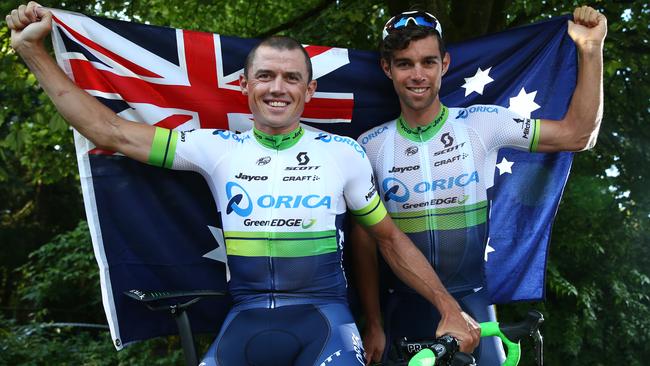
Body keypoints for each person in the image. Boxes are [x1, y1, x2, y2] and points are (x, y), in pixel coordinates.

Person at [6, 2, 483, 365]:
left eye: (292, 77)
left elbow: (389, 239)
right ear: (245, 86)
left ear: (309, 91)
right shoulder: (216, 148)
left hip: (327, 319)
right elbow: (107, 130)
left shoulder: (345, 153)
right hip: (245, 318)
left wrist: (446, 306)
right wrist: (33, 52)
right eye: (266, 76)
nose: (278, 87)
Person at [354, 6, 606, 365]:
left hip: (474, 303)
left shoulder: (482, 123)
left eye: (428, 62)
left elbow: (579, 134)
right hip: (403, 310)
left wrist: (591, 50)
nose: (417, 74)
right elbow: (366, 241)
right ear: (387, 68)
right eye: (405, 63)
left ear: (445, 64)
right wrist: (374, 322)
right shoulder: (369, 146)